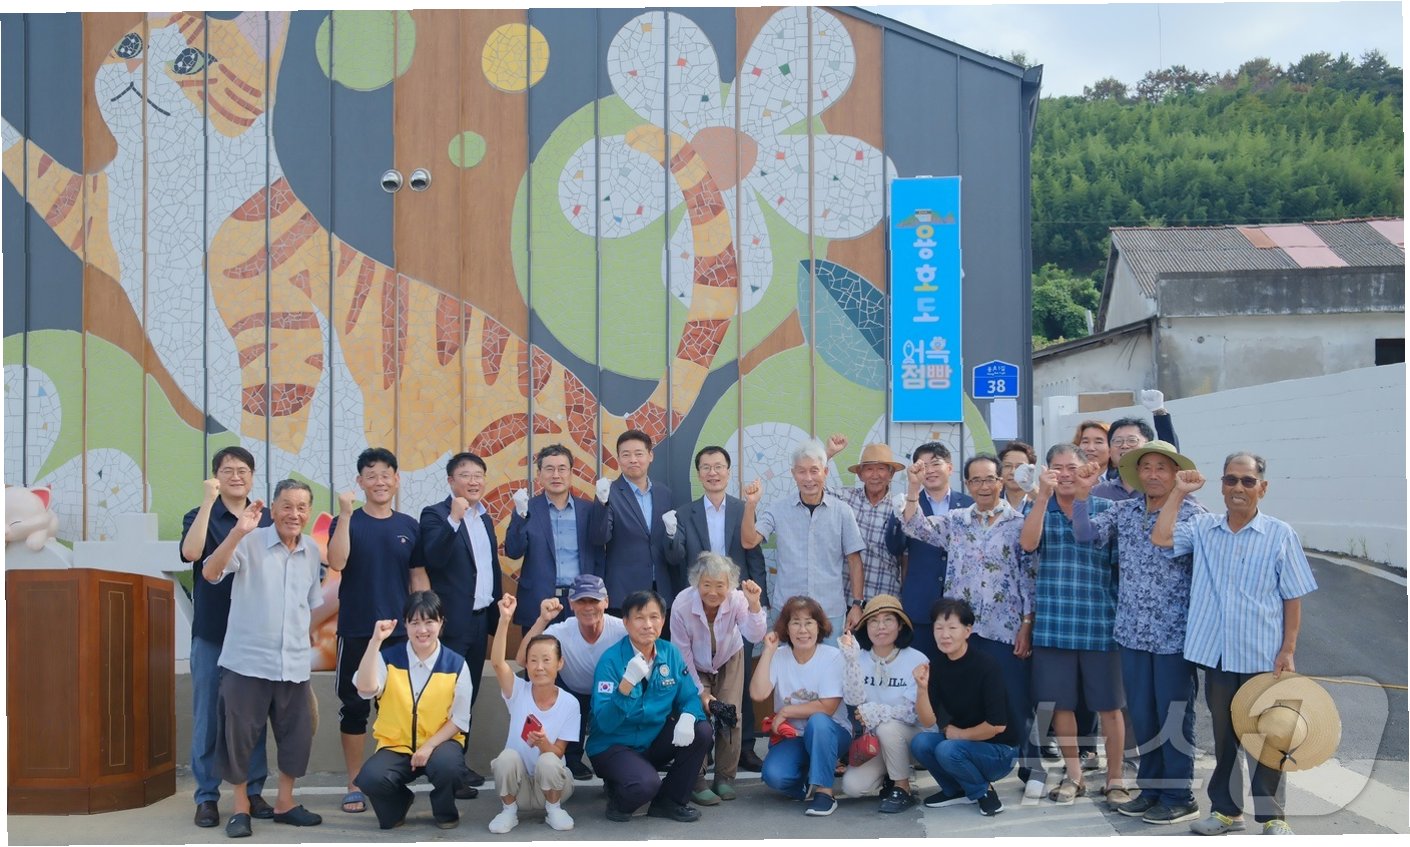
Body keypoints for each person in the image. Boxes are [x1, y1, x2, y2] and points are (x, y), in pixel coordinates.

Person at [1152, 453, 1317, 836]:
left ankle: (1273, 817)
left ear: (1263, 487)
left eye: (1247, 480)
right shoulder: (1203, 527)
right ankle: (1226, 813)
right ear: (1222, 485)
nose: (1238, 488)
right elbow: (1161, 537)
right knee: (1225, 739)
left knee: (1269, 737)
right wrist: (1178, 492)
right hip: (1219, 656)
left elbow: (1293, 597)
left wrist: (1288, 649)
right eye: (1230, 480)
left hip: (1263, 657)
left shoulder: (1280, 534)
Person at [1072, 440, 1206, 824]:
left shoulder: (1195, 515)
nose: (1152, 474)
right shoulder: (1125, 510)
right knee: (1144, 716)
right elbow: (1085, 534)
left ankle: (1179, 795)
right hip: (1131, 632)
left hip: (1173, 636)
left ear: (1176, 473)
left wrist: (1179, 495)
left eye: (1161, 467)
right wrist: (1081, 496)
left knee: (1173, 715)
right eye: (1146, 467)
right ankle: (1150, 790)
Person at [897, 454, 1045, 800]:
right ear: (967, 484)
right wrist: (913, 488)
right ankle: (967, 766)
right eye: (976, 480)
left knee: (1017, 698)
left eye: (989, 479)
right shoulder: (956, 520)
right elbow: (914, 526)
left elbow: (1029, 577)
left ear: (1000, 481)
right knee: (962, 697)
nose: (983, 486)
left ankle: (1033, 766)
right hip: (962, 630)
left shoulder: (1018, 522)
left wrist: (1027, 623)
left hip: (1004, 627)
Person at [202, 479, 323, 838]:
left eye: (301, 507)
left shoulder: (312, 550)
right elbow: (210, 572)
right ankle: (241, 808)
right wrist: (238, 532)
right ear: (273, 508)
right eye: (286, 506)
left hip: (294, 664)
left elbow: (310, 604)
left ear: (308, 512)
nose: (294, 514)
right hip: (247, 662)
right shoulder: (250, 540)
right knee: (238, 738)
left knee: (296, 737)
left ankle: (285, 803)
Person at [1019, 444, 1127, 807]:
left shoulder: (1107, 509)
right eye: (1057, 467)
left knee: (1109, 706)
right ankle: (1074, 775)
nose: (1064, 474)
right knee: (1060, 706)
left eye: (1071, 467)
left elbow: (1118, 566)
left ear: (1087, 469)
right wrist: (1041, 496)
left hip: (1100, 622)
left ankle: (1115, 778)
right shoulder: (1040, 507)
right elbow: (1027, 544)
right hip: (1053, 623)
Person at [326, 447, 426, 815]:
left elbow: (418, 577)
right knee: (354, 708)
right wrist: (345, 514)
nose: (380, 481)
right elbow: (336, 561)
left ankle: (388, 782)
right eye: (371, 475)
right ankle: (354, 782)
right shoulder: (347, 521)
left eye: (386, 474)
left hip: (400, 634)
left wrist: (425, 622)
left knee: (397, 709)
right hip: (357, 631)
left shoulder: (409, 526)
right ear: (360, 482)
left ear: (396, 480)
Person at [180, 446, 273, 828]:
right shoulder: (199, 515)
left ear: (252, 476)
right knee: (207, 718)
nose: (236, 476)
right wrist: (208, 501)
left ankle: (253, 792)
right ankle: (206, 797)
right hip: (212, 633)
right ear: (216, 477)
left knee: (252, 719)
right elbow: (191, 553)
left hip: (255, 634)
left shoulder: (266, 519)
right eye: (227, 470)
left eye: (243, 470)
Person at [664, 444, 770, 772]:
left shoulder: (742, 509)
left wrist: (758, 602)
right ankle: (704, 747)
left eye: (719, 466)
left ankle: (744, 746)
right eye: (706, 468)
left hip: (737, 605)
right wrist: (670, 534)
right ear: (699, 474)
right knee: (697, 678)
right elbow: (674, 557)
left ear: (728, 471)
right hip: (700, 606)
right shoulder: (684, 514)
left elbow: (754, 556)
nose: (713, 473)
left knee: (738, 679)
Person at [415, 451, 503, 790]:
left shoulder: (485, 519)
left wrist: (497, 611)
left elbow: (489, 568)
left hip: (480, 621)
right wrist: (454, 519)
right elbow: (434, 557)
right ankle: (445, 769)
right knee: (446, 698)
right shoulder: (435, 514)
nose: (473, 481)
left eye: (478, 475)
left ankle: (456, 764)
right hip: (452, 623)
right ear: (451, 481)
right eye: (465, 475)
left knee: (469, 695)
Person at [589, 590, 713, 824]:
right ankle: (618, 795)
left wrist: (688, 716)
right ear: (626, 622)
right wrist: (626, 686)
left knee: (702, 731)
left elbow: (689, 696)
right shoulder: (610, 661)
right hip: (613, 746)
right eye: (639, 618)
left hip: (651, 740)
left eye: (654, 617)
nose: (648, 625)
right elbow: (604, 722)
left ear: (663, 621)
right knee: (645, 785)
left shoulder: (670, 653)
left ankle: (670, 801)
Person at [352, 591, 473, 831]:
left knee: (449, 767)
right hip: (396, 746)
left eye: (429, 621)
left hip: (439, 745)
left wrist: (429, 747)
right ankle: (399, 803)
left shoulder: (456, 664)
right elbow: (365, 689)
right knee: (370, 778)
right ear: (405, 624)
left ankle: (444, 811)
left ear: (441, 622)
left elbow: (459, 720)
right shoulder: (388, 658)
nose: (422, 630)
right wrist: (375, 642)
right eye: (415, 622)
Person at [669, 552, 767, 805]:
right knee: (695, 714)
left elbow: (755, 636)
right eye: (706, 585)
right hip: (693, 663)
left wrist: (754, 605)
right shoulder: (681, 604)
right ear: (696, 582)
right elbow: (681, 653)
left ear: (730, 585)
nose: (713, 592)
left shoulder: (738, 599)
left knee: (730, 715)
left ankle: (724, 778)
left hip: (729, 657)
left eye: (720, 585)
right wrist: (701, 692)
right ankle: (697, 779)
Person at [742, 437, 866, 634]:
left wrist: (857, 604)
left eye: (814, 471)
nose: (808, 478)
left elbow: (854, 560)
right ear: (793, 474)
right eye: (801, 471)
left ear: (825, 472)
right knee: (784, 655)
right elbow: (749, 541)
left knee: (831, 655)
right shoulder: (778, 509)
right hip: (787, 611)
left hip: (830, 611)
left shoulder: (843, 511)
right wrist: (750, 505)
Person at [910, 597, 1017, 817]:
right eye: (939, 628)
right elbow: (929, 721)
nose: (944, 634)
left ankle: (983, 792)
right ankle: (956, 790)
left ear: (968, 631)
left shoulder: (987, 666)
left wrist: (960, 735)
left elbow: (997, 726)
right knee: (920, 743)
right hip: (963, 746)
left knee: (947, 749)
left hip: (1000, 752)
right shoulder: (936, 667)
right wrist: (921, 688)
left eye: (952, 628)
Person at [516, 573, 628, 780]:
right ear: (571, 604)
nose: (588, 607)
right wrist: (543, 620)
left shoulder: (622, 629)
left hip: (610, 693)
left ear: (606, 602)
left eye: (594, 600)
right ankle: (572, 758)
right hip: (573, 690)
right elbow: (522, 659)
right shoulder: (561, 630)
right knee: (563, 697)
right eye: (581, 601)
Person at [751, 596, 851, 817]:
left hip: (831, 732)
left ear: (819, 626)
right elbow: (758, 693)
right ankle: (806, 781)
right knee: (774, 776)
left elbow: (827, 708)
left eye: (809, 623)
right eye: (795, 623)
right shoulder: (779, 656)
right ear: (786, 628)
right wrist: (768, 651)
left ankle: (825, 792)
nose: (802, 630)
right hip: (793, 736)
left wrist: (786, 711)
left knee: (818, 721)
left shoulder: (833, 656)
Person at [487, 594, 578, 833]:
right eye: (533, 660)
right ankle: (508, 811)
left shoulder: (570, 703)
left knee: (549, 759)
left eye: (546, 660)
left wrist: (543, 743)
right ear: (526, 664)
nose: (539, 667)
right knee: (506, 757)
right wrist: (504, 619)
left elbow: (559, 752)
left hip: (553, 788)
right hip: (519, 791)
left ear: (559, 663)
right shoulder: (518, 691)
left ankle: (554, 810)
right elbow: (497, 663)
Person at [837, 595, 929, 812]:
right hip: (876, 742)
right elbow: (853, 699)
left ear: (900, 625)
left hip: (915, 739)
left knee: (888, 727)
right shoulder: (859, 657)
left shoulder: (917, 659)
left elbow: (913, 714)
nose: (881, 627)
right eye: (873, 621)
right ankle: (890, 774)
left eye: (888, 620)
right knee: (852, 787)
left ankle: (902, 787)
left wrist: (877, 711)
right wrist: (850, 660)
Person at [889, 440, 973, 661]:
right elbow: (894, 546)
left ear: (950, 468)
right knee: (919, 668)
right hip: (920, 604)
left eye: (935, 464)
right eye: (923, 466)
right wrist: (901, 511)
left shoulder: (969, 504)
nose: (930, 470)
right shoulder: (908, 502)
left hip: (960, 605)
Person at [504, 444, 601, 630]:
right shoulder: (527, 509)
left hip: (581, 601)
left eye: (562, 469)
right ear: (539, 475)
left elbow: (599, 556)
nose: (556, 475)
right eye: (549, 469)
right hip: (539, 602)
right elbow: (513, 551)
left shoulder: (588, 510)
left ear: (571, 473)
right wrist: (520, 516)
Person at [591, 430, 676, 610]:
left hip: (660, 588)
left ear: (650, 455)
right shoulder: (609, 492)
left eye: (639, 454)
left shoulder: (664, 493)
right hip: (624, 590)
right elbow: (599, 538)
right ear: (618, 459)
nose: (633, 460)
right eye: (626, 455)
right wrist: (601, 503)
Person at [822, 435, 908, 604]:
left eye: (881, 468)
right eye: (869, 469)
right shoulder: (846, 498)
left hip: (884, 599)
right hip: (846, 597)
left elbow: (906, 559)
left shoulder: (901, 508)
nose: (875, 475)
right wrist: (829, 453)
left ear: (891, 473)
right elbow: (814, 486)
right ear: (860, 475)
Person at [998, 440, 1038, 511]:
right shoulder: (990, 502)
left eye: (1019, 466)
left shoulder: (1041, 500)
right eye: (1007, 466)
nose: (1013, 472)